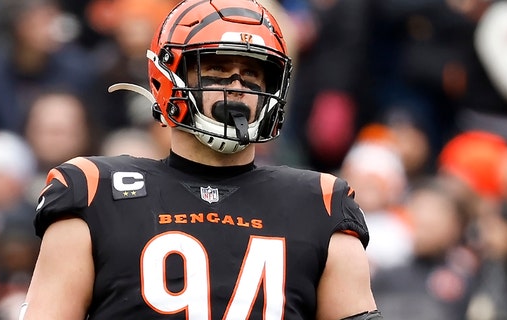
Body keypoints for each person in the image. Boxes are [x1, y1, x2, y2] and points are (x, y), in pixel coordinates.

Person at [21, 0, 381, 319]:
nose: (238, 88)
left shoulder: (321, 202)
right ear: (169, 77)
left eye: (253, 74)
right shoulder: (93, 190)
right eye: (218, 71)